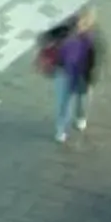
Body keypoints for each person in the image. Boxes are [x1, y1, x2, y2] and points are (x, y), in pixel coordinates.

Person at [40, 12, 95, 144]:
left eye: (83, 25)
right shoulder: (61, 34)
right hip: (64, 73)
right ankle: (61, 129)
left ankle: (80, 117)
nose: (80, 28)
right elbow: (45, 40)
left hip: (81, 73)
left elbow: (94, 56)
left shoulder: (88, 38)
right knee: (63, 103)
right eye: (78, 25)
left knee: (82, 99)